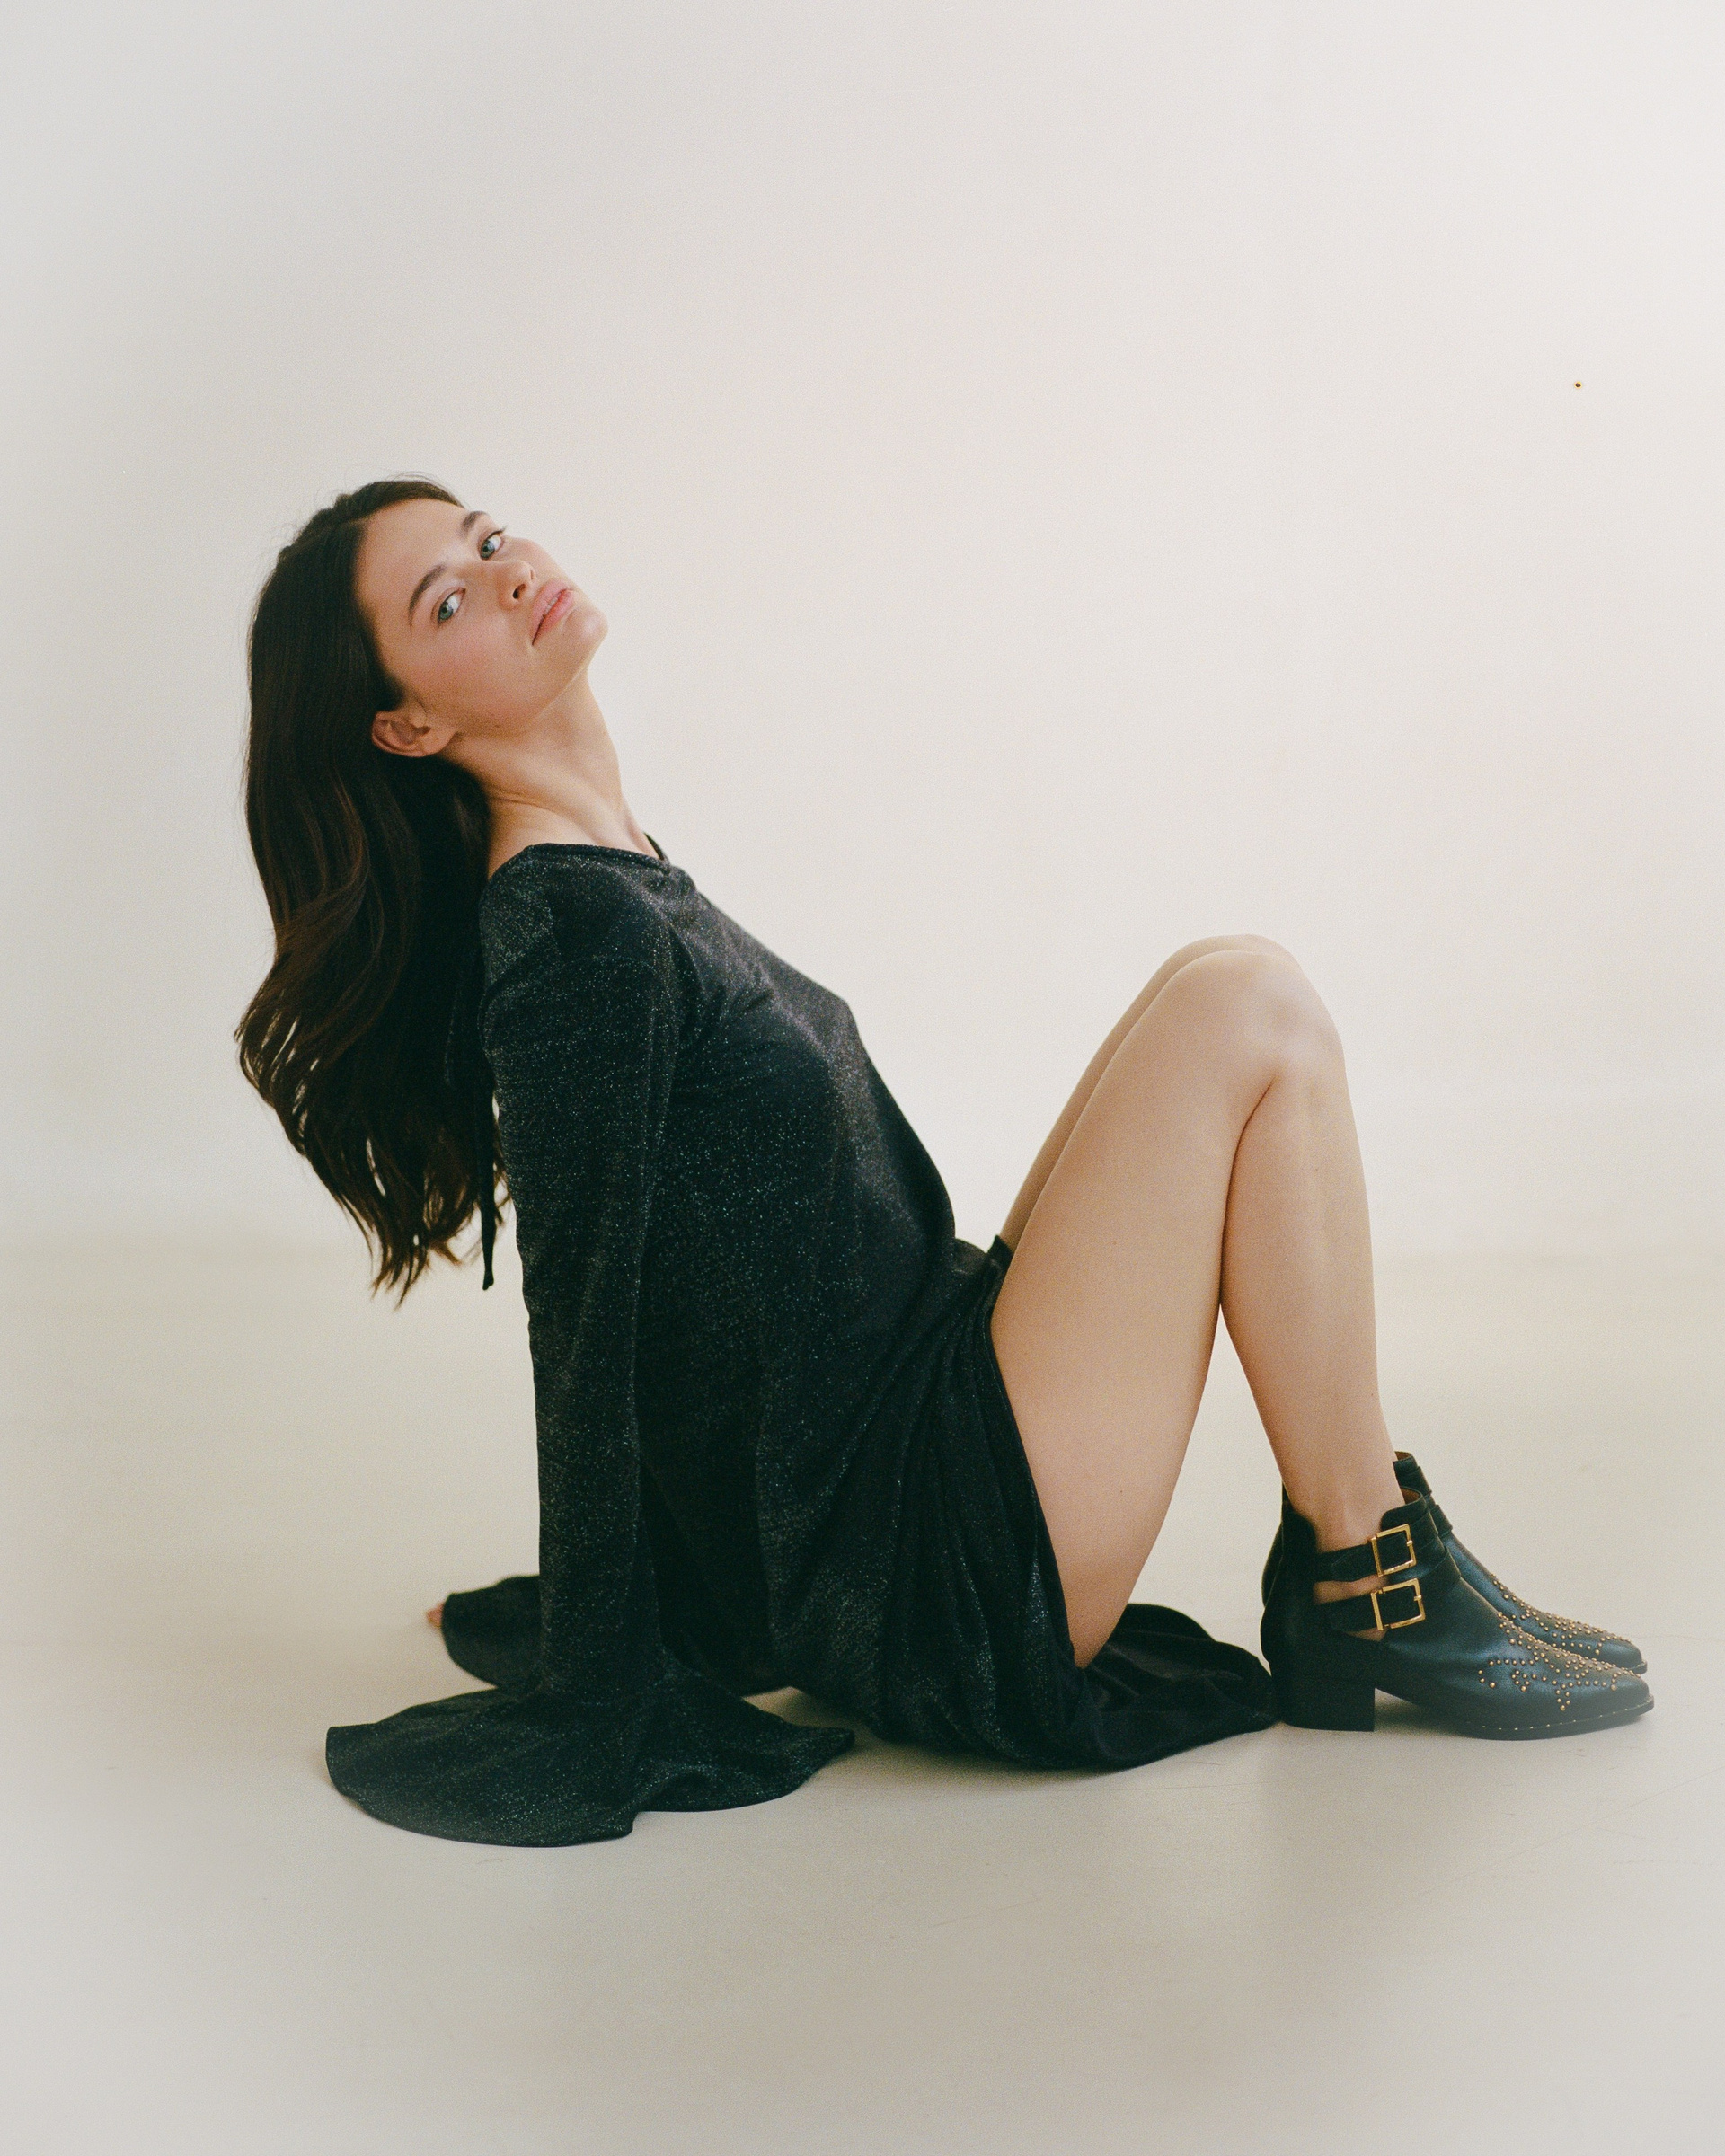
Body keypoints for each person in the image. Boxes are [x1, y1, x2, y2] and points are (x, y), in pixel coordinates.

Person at [237, 478, 1650, 1848]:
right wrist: (595, 1654)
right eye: (446, 601)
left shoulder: (618, 869)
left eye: (489, 537)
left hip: (922, 1422)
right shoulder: (570, 931)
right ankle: (1369, 1572)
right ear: (408, 724)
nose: (505, 573)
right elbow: (587, 1321)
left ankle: (1360, 1570)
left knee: (1214, 977)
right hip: (931, 1568)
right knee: (1251, 1008)